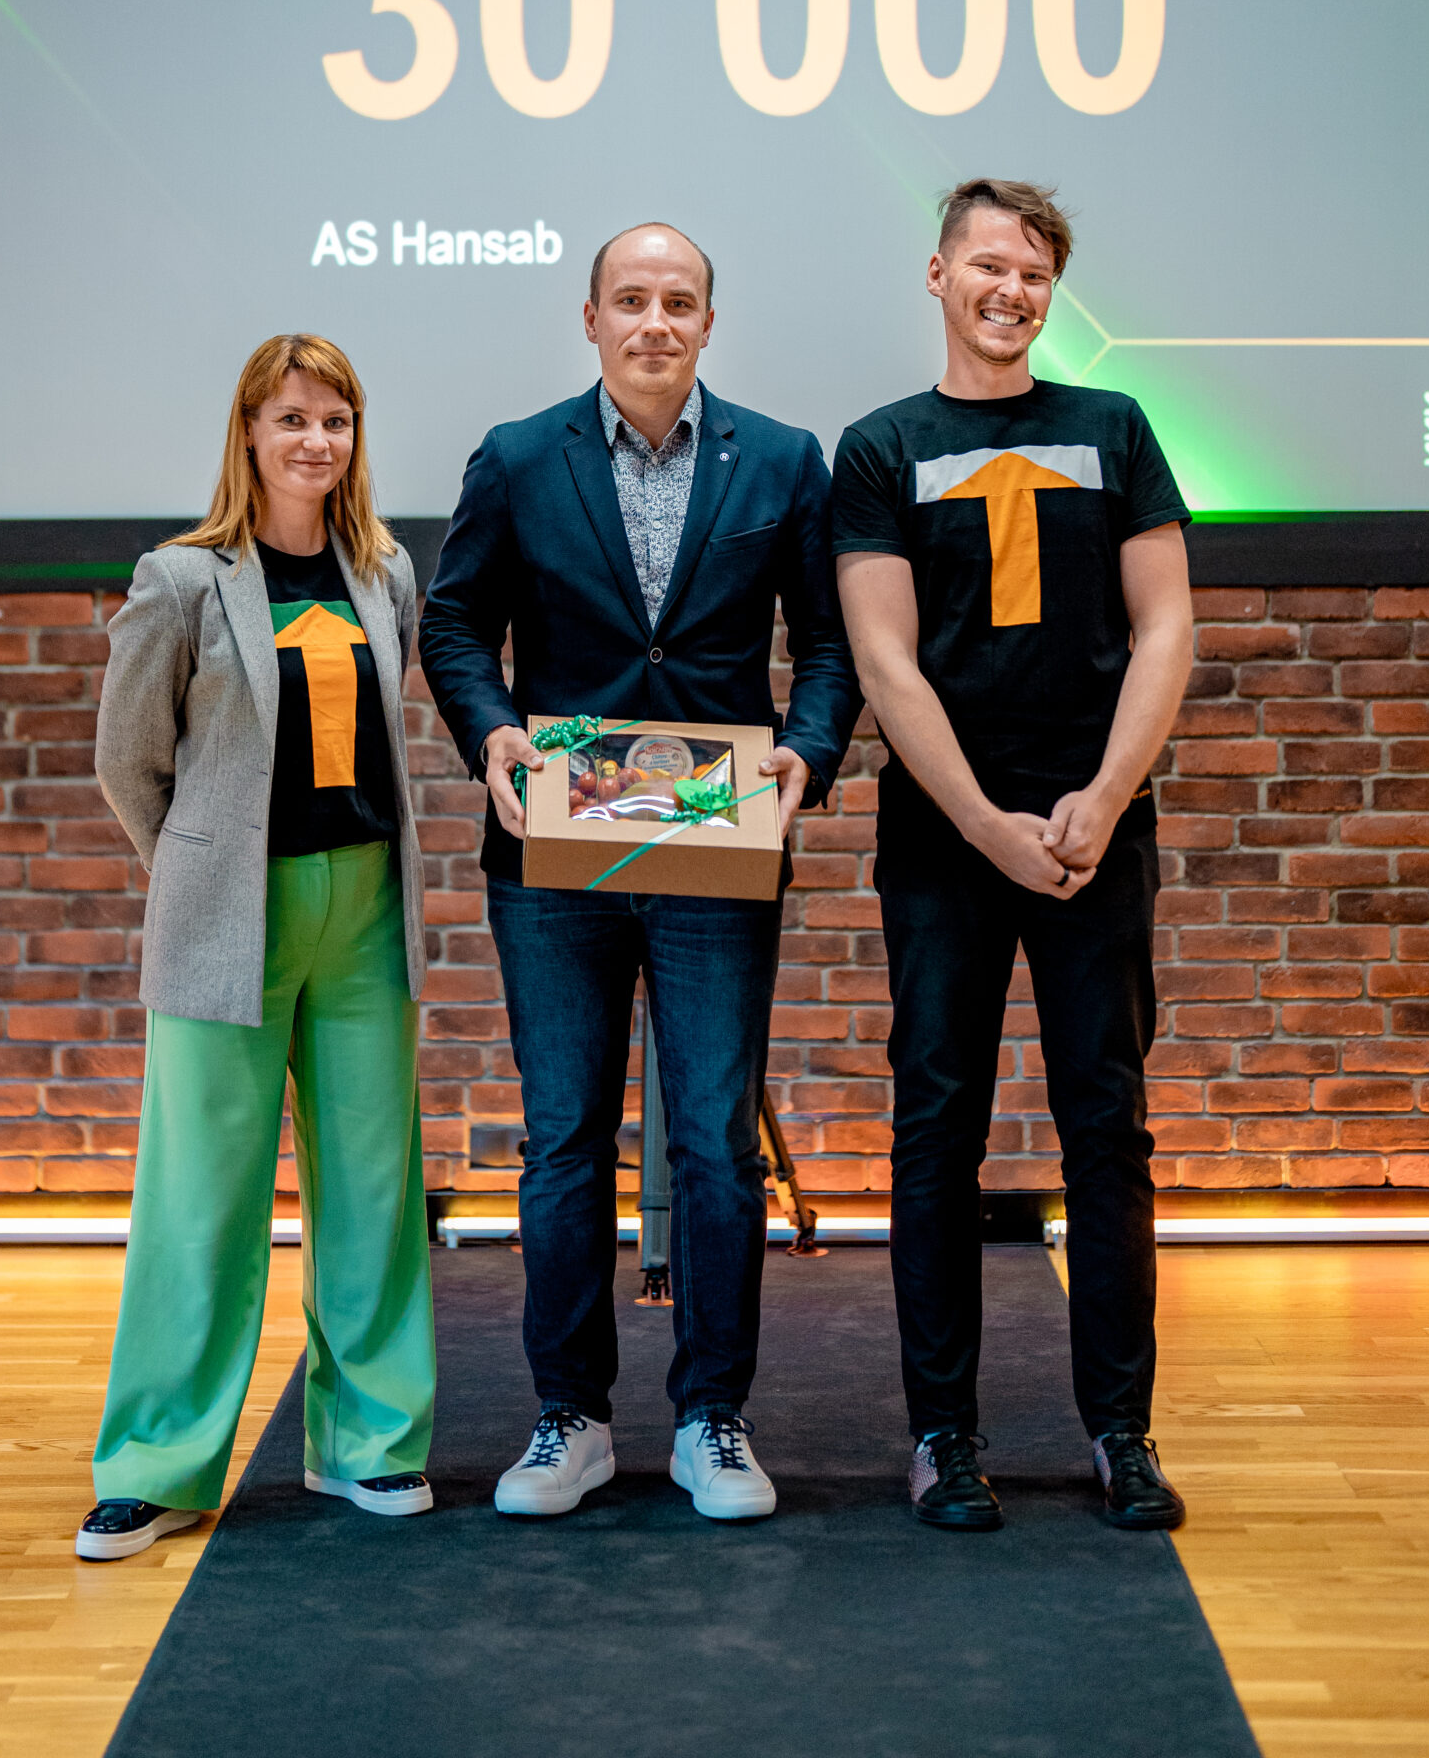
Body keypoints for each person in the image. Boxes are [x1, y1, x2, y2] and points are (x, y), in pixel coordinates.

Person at [419, 223, 860, 1522]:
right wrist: (491, 732)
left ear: (708, 322)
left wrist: (806, 749)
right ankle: (571, 1417)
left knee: (715, 1143)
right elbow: (454, 621)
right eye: (630, 300)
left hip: (718, 836)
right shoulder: (517, 456)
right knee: (563, 1138)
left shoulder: (780, 459)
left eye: (677, 301)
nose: (654, 321)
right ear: (591, 318)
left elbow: (828, 643)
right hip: (555, 846)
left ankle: (712, 1415)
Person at [832, 180, 1193, 1534]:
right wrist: (985, 821)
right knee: (936, 1128)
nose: (1011, 290)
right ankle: (944, 1436)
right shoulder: (880, 447)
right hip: (945, 838)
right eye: (988, 265)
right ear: (937, 275)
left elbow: (1165, 627)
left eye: (1034, 274)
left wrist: (1104, 794)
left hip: (1098, 829)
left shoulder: (1114, 427)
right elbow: (883, 659)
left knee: (1107, 1124)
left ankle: (1120, 1433)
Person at [75, 334, 435, 1559]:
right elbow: (127, 761)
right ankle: (157, 1464)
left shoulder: (383, 571)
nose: (315, 440)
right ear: (248, 432)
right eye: (291, 418)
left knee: (374, 1188)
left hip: (365, 908)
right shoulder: (181, 578)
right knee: (200, 1196)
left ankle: (371, 1442)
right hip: (227, 914)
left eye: (335, 419)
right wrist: (200, 867)